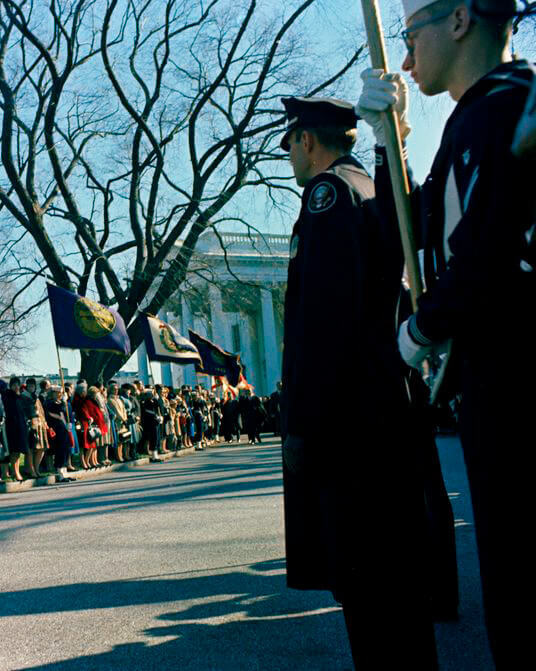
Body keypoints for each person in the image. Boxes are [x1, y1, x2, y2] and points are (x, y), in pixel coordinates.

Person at [358, 2, 535, 663]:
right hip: (495, 392)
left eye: (410, 35)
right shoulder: (476, 117)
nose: (404, 57)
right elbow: (412, 240)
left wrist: (421, 329)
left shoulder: (508, 106)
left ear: (459, 19)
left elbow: (487, 251)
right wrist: (389, 141)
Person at [278, 95, 437, 668]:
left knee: (367, 586)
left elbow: (321, 324)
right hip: (383, 408)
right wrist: (386, 145)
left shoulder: (327, 195)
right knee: (396, 585)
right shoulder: (369, 187)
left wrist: (302, 426)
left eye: (290, 145)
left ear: (307, 141)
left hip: (346, 426)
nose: (290, 159)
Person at [42, 386, 74, 482]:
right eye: (56, 393)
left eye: (60, 393)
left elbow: (69, 413)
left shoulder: (64, 403)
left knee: (66, 450)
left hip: (65, 429)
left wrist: (70, 423)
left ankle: (65, 473)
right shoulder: (49, 403)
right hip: (57, 430)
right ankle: (60, 474)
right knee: (60, 452)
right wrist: (64, 402)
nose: (58, 394)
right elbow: (55, 412)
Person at [0, 377, 28, 481]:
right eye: (14, 385)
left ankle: (16, 472)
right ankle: (15, 472)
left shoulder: (19, 397)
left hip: (20, 427)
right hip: (11, 428)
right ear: (10, 385)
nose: (16, 387)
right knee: (13, 451)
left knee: (17, 452)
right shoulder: (7, 397)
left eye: (18, 385)